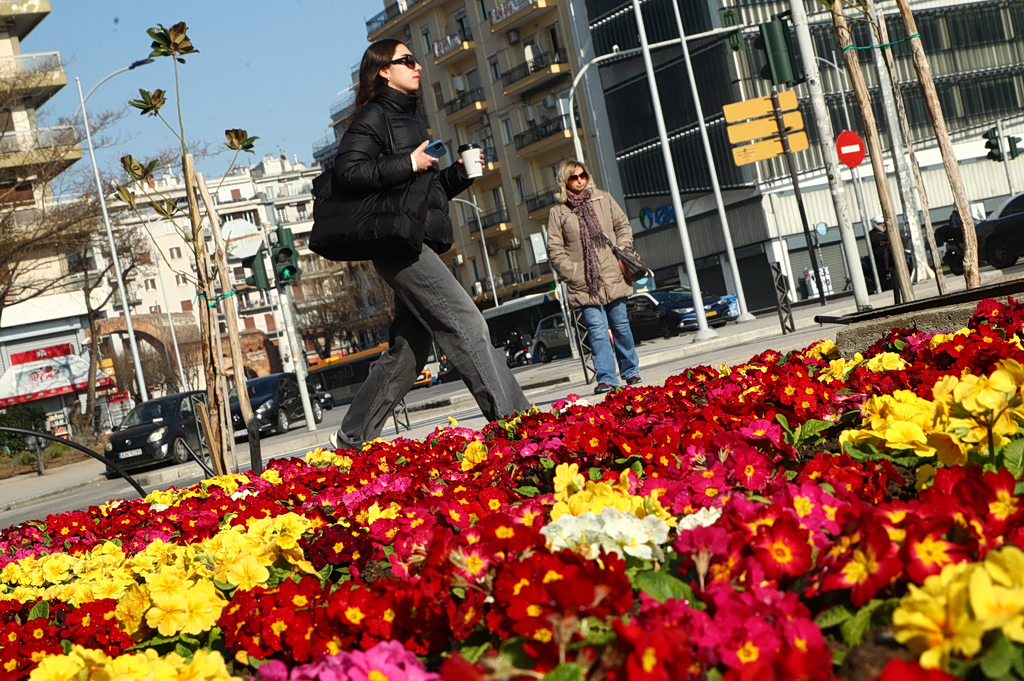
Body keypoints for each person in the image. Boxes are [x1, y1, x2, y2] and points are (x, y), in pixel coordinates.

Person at [329, 39, 530, 449]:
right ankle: (515, 426)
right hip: (396, 246)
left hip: (412, 238)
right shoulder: (374, 116)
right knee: (466, 322)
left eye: (415, 60)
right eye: (407, 61)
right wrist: (408, 162)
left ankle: (352, 439)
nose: (417, 66)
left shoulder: (410, 119)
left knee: (409, 351)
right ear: (383, 71)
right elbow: (347, 173)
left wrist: (457, 175)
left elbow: (422, 195)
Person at [546, 159, 641, 394]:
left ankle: (630, 371)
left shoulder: (603, 198)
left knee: (621, 326)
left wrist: (622, 249)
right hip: (584, 283)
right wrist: (572, 273)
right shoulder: (558, 211)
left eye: (582, 176)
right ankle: (607, 378)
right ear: (565, 181)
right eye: (573, 177)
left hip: (613, 274)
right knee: (597, 331)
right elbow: (555, 249)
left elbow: (622, 226)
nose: (579, 180)